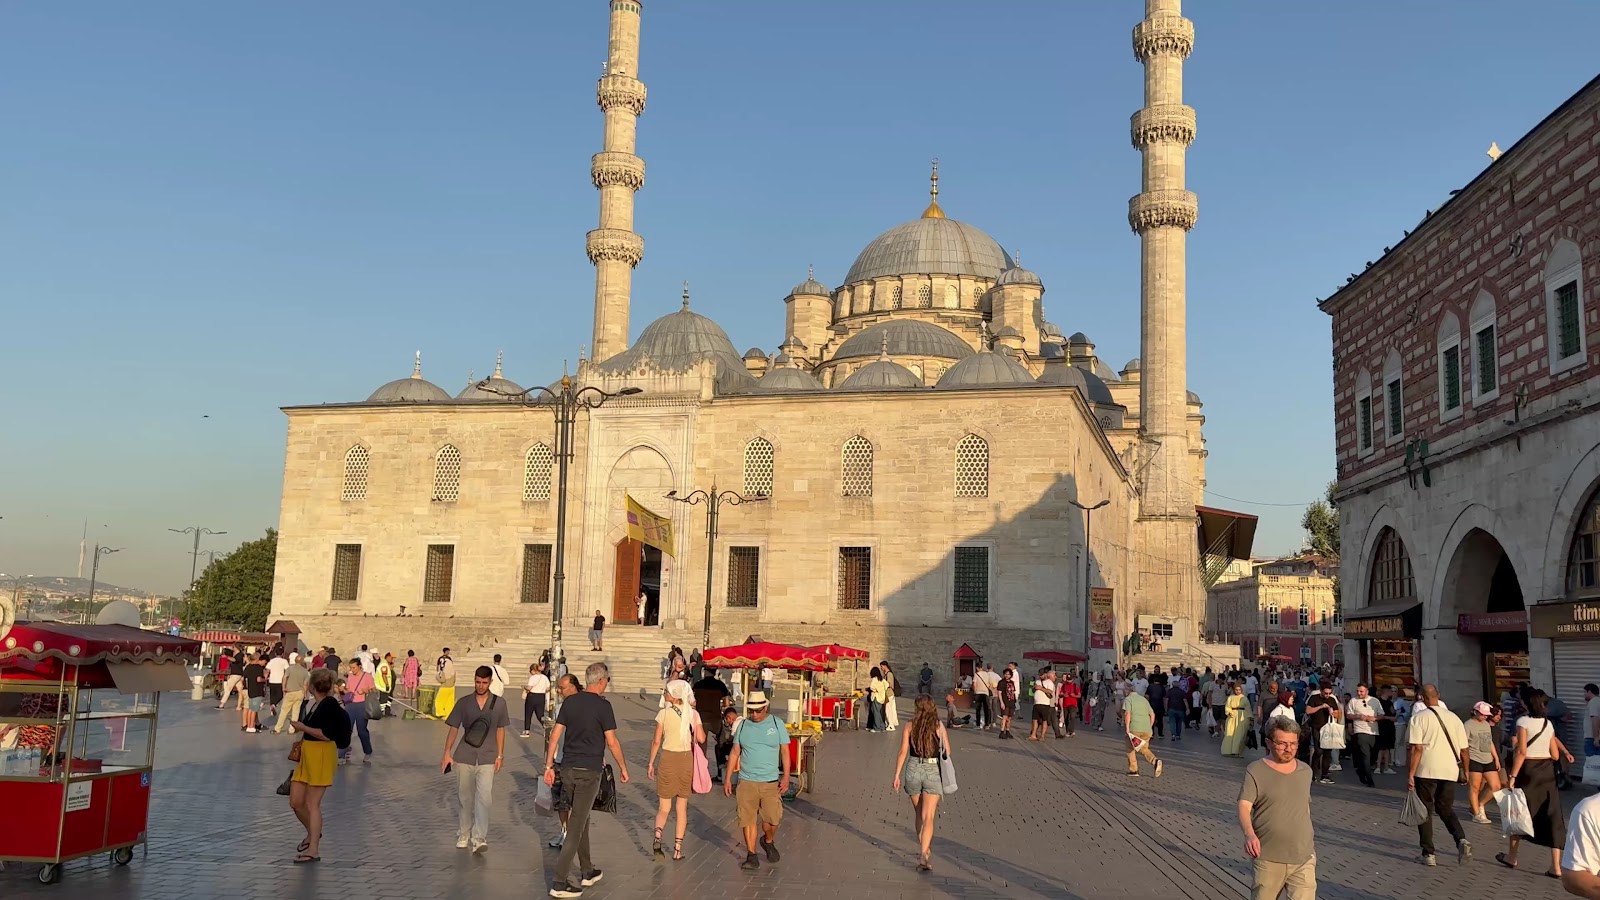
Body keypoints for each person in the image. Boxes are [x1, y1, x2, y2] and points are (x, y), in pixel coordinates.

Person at [546, 663, 629, 899]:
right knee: (576, 825)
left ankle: (587, 870)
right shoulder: (604, 706)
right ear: (601, 681)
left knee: (582, 817)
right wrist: (623, 767)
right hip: (589, 771)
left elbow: (555, 735)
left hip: (568, 769)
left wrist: (548, 765)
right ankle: (559, 881)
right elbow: (611, 741)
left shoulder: (570, 702)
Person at [1239, 717, 1316, 899]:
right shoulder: (1256, 770)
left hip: (1303, 856)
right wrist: (1249, 835)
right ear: (1268, 742)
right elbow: (1244, 805)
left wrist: (1311, 847)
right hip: (1269, 855)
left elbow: (1305, 807)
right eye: (1282, 743)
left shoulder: (1305, 771)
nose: (1289, 749)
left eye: (1293, 744)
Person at [1500, 690, 1576, 875]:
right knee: (1553, 816)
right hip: (1547, 772)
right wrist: (1565, 752)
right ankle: (1556, 866)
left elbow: (1522, 752)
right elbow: (1554, 754)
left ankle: (1512, 857)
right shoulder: (1547, 723)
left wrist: (1512, 777)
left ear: (1526, 704)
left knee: (1519, 812)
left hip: (1528, 772)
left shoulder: (1523, 722)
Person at [287, 667, 352, 864]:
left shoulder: (329, 706)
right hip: (308, 754)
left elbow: (326, 734)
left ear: (313, 686)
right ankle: (313, 833)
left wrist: (302, 727)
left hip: (321, 754)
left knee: (312, 803)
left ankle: (313, 849)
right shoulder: (316, 704)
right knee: (295, 801)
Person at [441, 666, 508, 854]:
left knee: (484, 798)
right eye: (478, 682)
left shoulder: (500, 704)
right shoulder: (463, 703)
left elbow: (501, 729)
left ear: (490, 683)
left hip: (488, 755)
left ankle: (479, 838)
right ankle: (464, 833)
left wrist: (500, 755)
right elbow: (453, 727)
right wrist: (447, 752)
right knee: (465, 797)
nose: (480, 685)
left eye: (484, 682)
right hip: (464, 755)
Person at [725, 689, 791, 871]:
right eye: (751, 711)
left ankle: (767, 840)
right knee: (747, 820)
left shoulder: (777, 724)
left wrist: (785, 777)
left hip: (770, 782)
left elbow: (785, 752)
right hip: (747, 781)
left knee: (773, 819)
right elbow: (735, 752)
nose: (754, 714)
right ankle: (751, 855)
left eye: (758, 710)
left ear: (766, 707)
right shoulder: (743, 726)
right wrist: (728, 778)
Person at [1408, 684, 1472, 867]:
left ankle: (1428, 853)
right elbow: (1464, 750)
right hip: (1450, 770)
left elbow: (1417, 748)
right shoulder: (1454, 718)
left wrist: (1411, 773)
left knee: (1424, 811)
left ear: (1422, 698)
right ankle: (1460, 838)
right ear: (1438, 695)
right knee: (1445, 807)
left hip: (1426, 770)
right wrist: (1466, 770)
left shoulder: (1419, 718)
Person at [648, 679, 706, 862]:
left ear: (673, 695)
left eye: (666, 691)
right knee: (682, 808)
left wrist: (651, 763)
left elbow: (656, 741)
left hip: (667, 759)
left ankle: (658, 836)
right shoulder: (693, 714)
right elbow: (702, 739)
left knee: (664, 807)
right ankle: (678, 849)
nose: (664, 694)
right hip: (685, 760)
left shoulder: (663, 713)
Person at [892, 694, 951, 872]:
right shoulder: (938, 726)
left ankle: (924, 848)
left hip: (913, 769)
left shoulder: (910, 725)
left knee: (918, 813)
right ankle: (924, 854)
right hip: (932, 770)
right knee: (929, 817)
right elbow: (947, 751)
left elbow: (903, 752)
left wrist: (896, 775)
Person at [546, 674, 583, 851]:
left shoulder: (586, 705)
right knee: (560, 800)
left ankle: (576, 834)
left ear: (573, 687)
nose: (559, 691)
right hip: (560, 758)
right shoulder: (560, 706)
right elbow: (554, 735)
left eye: (562, 688)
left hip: (576, 759)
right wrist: (549, 761)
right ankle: (565, 830)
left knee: (576, 800)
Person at [1465, 700, 1506, 824]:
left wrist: (1496, 758)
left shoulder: (1486, 725)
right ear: (1475, 712)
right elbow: (1463, 744)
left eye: (1486, 715)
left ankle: (1480, 804)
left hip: (1488, 759)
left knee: (1496, 786)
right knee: (1475, 787)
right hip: (1474, 758)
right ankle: (1476, 813)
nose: (1485, 717)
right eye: (1482, 714)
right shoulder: (1468, 725)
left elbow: (1489, 742)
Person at [692, 670, 732, 780]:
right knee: (721, 744)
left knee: (701, 748)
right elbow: (727, 702)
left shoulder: (698, 684)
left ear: (704, 672)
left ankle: (700, 774)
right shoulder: (720, 685)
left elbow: (692, 701)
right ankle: (721, 773)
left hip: (702, 719)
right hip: (716, 718)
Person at [1303, 684, 1341, 784]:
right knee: (1318, 750)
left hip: (1328, 729)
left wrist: (1332, 712)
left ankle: (1325, 774)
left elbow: (1338, 713)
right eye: (1326, 693)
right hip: (1317, 727)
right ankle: (1314, 772)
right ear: (1321, 691)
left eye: (1330, 693)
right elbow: (1308, 711)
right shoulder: (1314, 698)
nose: (1328, 695)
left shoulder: (1332, 700)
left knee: (1327, 752)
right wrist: (1320, 707)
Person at [1345, 683, 1382, 787]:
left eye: (1361, 691)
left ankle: (1361, 770)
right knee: (1365, 754)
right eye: (1358, 691)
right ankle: (1369, 779)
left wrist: (1374, 718)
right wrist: (1358, 716)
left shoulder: (1374, 701)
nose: (1359, 693)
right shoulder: (1353, 701)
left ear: (1367, 691)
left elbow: (1381, 714)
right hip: (1360, 730)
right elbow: (1348, 715)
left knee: (1373, 755)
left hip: (1373, 731)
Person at [1123, 682, 1162, 777]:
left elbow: (1128, 713)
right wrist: (1150, 725)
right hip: (1147, 730)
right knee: (1144, 748)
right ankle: (1154, 762)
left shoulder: (1128, 699)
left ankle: (1134, 769)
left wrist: (1127, 728)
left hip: (1135, 729)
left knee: (1130, 748)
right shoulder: (1143, 699)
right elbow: (1152, 714)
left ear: (1127, 690)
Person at [341, 659, 376, 764]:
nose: (352, 670)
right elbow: (348, 689)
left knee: (362, 731)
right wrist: (343, 690)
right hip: (350, 705)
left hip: (362, 705)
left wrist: (365, 690)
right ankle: (342, 754)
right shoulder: (350, 676)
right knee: (346, 730)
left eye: (354, 668)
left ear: (359, 666)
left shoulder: (367, 676)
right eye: (351, 668)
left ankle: (368, 751)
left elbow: (374, 690)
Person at [274, 655, 311, 735]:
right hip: (300, 692)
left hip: (290, 691)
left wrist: (283, 688)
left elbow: (284, 678)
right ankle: (292, 729)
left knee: (284, 711)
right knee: (296, 712)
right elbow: (305, 684)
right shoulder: (305, 671)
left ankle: (278, 728)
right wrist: (305, 694)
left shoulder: (290, 669)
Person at [1222, 681, 1252, 757]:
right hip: (1232, 717)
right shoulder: (1230, 697)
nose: (1238, 691)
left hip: (1242, 717)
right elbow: (1227, 707)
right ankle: (1227, 750)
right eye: (1236, 689)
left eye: (1239, 689)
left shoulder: (1244, 698)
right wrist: (1229, 712)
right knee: (1230, 733)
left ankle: (1237, 751)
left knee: (1240, 734)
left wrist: (1250, 718)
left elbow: (1248, 709)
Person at [523, 662, 551, 738]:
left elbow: (529, 688)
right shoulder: (545, 677)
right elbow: (548, 688)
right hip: (541, 696)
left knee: (528, 713)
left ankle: (527, 731)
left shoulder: (533, 678)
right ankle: (546, 727)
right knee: (540, 714)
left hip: (532, 696)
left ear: (533, 670)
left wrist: (524, 687)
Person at [242, 653, 267, 733]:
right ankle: (252, 726)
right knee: (254, 710)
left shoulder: (248, 667)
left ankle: (249, 726)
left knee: (250, 709)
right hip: (257, 690)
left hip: (250, 689)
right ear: (257, 659)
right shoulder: (258, 668)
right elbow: (259, 679)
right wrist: (266, 679)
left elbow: (244, 678)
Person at [1029, 669, 1056, 741]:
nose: (1041, 676)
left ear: (1046, 674)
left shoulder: (1049, 682)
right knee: (1034, 720)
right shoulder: (1037, 681)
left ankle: (1042, 736)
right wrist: (1034, 688)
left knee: (1044, 720)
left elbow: (1050, 692)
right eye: (1040, 675)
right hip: (1036, 703)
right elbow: (1033, 690)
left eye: (1042, 675)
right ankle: (1033, 735)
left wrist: (1040, 688)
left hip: (1045, 704)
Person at [434, 649, 457, 720]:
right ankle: (448, 715)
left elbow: (442, 679)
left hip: (445, 687)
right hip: (452, 687)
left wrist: (437, 676)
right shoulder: (452, 667)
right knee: (449, 702)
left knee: (439, 700)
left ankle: (440, 713)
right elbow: (454, 678)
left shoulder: (444, 668)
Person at [265, 649, 289, 716]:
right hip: (280, 680)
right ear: (282, 654)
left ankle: (272, 709)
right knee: (280, 695)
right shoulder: (284, 661)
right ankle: (274, 705)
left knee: (272, 695)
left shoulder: (272, 661)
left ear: (275, 654)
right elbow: (287, 670)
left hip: (272, 680)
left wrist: (266, 678)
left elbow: (267, 670)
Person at [998, 666, 1018, 739]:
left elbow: (1013, 692)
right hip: (1005, 701)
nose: (1007, 675)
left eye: (1008, 674)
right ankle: (1002, 731)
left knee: (1009, 717)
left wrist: (1015, 701)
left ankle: (1008, 730)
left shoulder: (1012, 682)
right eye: (1006, 674)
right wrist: (1001, 702)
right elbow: (999, 693)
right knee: (1004, 717)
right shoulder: (1001, 682)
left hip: (1011, 701)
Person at [868, 667, 890, 733]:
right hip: (882, 697)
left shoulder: (874, 679)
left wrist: (875, 690)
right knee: (879, 713)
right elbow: (887, 685)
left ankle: (877, 728)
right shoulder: (882, 679)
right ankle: (882, 726)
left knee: (876, 713)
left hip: (876, 697)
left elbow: (872, 687)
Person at [970, 662, 992, 729]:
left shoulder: (976, 674)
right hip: (986, 693)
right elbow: (990, 684)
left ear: (977, 668)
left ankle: (978, 725)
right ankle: (987, 724)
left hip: (978, 693)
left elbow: (974, 684)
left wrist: (974, 692)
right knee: (986, 709)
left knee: (978, 709)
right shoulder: (987, 674)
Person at [1059, 672, 1081, 737]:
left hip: (1073, 704)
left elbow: (1079, 695)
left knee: (1072, 717)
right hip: (1065, 704)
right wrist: (1063, 695)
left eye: (1070, 680)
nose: (1069, 681)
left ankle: (1070, 730)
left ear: (1073, 679)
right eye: (1068, 680)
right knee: (1066, 718)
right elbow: (1060, 693)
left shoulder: (1075, 686)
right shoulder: (1064, 686)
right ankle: (1068, 731)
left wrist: (1074, 695)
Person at [881, 661, 900, 731]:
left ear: (885, 666)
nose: (881, 668)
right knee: (891, 709)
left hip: (889, 694)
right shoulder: (887, 674)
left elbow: (890, 685)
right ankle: (893, 723)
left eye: (881, 666)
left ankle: (891, 725)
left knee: (888, 710)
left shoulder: (889, 674)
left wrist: (883, 685)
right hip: (889, 694)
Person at [375, 652, 395, 717]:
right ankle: (380, 713)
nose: (392, 660)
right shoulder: (384, 665)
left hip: (387, 687)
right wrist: (386, 685)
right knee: (383, 700)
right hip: (383, 686)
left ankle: (387, 711)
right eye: (391, 658)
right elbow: (384, 675)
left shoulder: (386, 664)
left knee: (388, 699)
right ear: (388, 657)